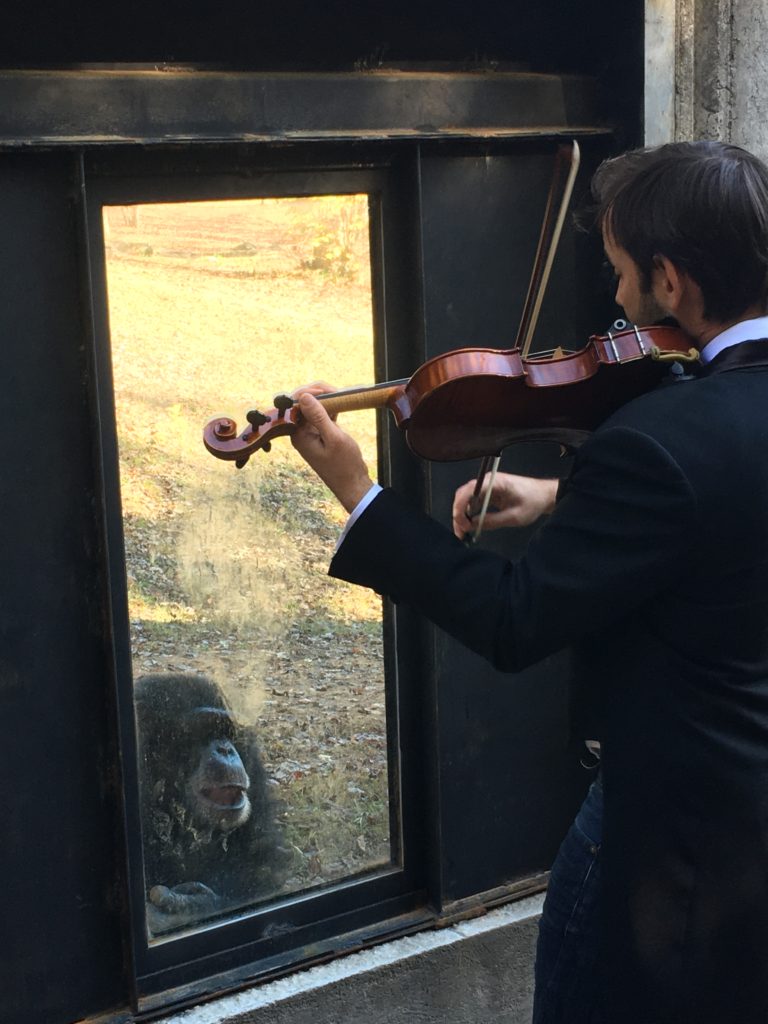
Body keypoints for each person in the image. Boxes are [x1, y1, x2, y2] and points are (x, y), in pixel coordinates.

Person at [289, 141, 768, 1023]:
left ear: (671, 282)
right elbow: (729, 518)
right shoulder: (691, 435)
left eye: (623, 273)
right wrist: (557, 497)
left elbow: (515, 620)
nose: (617, 304)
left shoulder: (658, 438)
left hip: (668, 844)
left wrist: (361, 495)